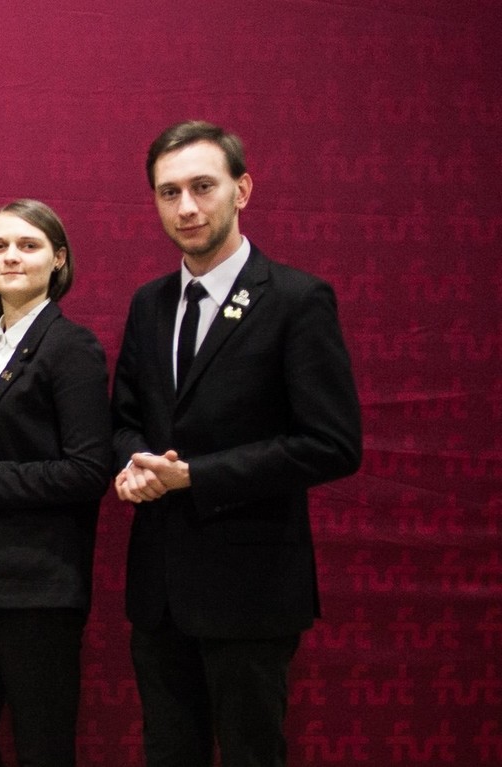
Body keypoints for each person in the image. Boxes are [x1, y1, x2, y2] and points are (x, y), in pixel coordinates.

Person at [112, 120, 363, 766]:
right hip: (160, 592)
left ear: (241, 190)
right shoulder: (148, 304)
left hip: (252, 590)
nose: (186, 207)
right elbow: (125, 420)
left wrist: (196, 476)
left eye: (203, 187)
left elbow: (332, 443)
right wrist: (132, 466)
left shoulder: (297, 299)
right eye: (169, 192)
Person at [0, 200, 111, 767]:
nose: (11, 256)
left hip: (38, 581)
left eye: (28, 246)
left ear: (58, 260)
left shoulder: (71, 347)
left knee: (41, 745)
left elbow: (88, 470)